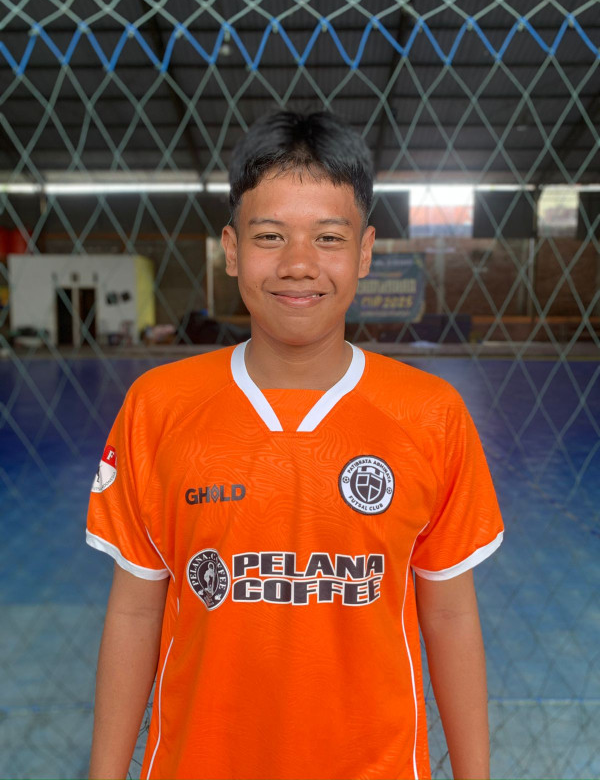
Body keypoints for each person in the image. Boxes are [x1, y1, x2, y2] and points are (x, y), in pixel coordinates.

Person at [86, 110, 504, 780]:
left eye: (329, 237)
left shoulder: (430, 415)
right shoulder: (158, 408)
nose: (299, 265)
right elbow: (136, 609)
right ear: (231, 249)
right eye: (270, 236)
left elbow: (451, 614)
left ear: (365, 252)